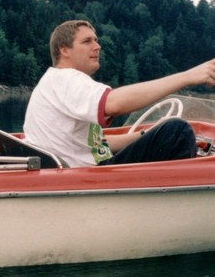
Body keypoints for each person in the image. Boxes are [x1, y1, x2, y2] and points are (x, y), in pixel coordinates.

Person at [23, 20, 215, 168]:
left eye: (96, 40)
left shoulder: (53, 81)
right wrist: (188, 76)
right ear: (64, 50)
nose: (97, 46)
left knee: (169, 131)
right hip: (90, 177)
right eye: (87, 41)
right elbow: (113, 103)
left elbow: (93, 143)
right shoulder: (67, 79)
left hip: (77, 170)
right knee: (177, 131)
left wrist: (144, 135)